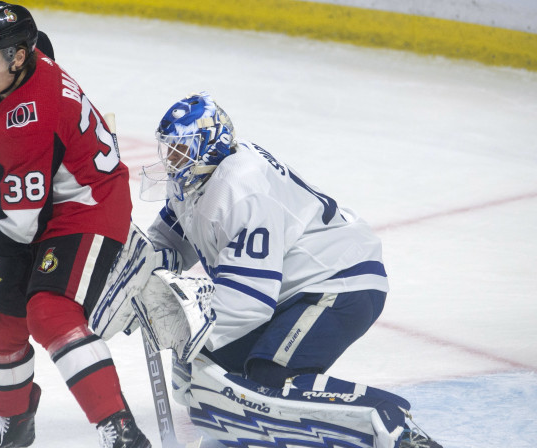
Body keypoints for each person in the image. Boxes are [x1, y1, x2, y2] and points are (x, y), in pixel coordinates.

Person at [127, 91, 442, 448]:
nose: (171, 160)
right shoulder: (195, 180)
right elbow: (169, 241)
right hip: (293, 289)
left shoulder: (241, 188)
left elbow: (249, 301)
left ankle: (392, 425)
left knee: (270, 378)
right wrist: (132, 271)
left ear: (208, 146)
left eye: (180, 149)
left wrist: (183, 323)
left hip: (339, 281)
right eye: (168, 149)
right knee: (207, 369)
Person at [0, 3, 150, 448]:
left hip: (89, 206)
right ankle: (15, 426)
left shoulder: (27, 118)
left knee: (50, 313)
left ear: (17, 57)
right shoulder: (24, 62)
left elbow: (18, 225)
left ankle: (122, 434)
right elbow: (43, 43)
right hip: (43, 204)